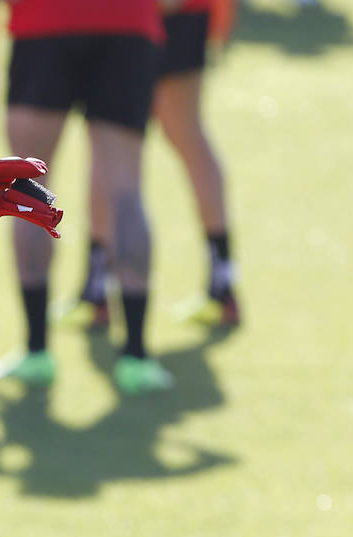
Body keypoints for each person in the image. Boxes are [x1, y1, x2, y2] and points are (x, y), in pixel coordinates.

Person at [0, 0, 175, 395]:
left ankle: (36, 351)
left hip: (45, 24)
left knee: (27, 189)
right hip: (127, 25)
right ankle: (135, 357)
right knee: (126, 190)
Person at [70, 0, 241, 329]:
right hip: (161, 15)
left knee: (115, 141)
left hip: (140, 17)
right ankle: (221, 284)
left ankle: (97, 289)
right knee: (178, 136)